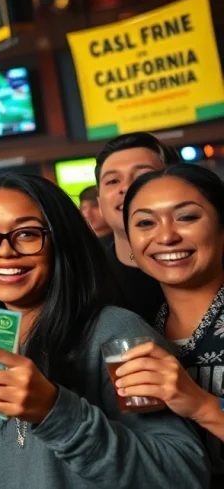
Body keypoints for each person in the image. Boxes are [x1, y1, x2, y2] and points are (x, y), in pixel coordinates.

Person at [0, 174, 208, 488]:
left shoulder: (116, 333)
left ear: (61, 241)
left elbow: (183, 474)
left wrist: (55, 411)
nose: (4, 251)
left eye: (27, 233)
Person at [116, 163, 224, 484]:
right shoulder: (137, 330)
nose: (166, 235)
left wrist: (203, 406)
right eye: (146, 223)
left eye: (187, 217)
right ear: (132, 246)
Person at [95, 132, 180, 324]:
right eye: (113, 181)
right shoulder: (86, 277)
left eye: (142, 176)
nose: (125, 187)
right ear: (100, 204)